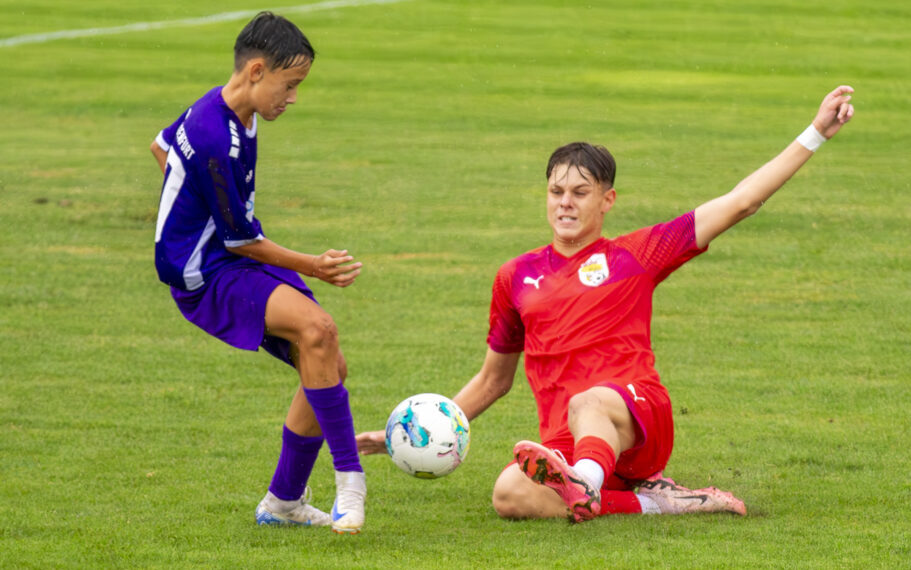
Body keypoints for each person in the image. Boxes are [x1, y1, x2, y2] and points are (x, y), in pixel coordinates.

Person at [357, 85, 855, 522]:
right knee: (508, 494)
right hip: (568, 440)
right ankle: (655, 502)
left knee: (588, 400)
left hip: (636, 418)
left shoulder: (637, 255)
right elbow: (494, 380)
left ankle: (588, 482)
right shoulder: (514, 276)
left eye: (580, 192)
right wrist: (415, 431)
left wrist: (815, 133)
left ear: (607, 200)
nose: (565, 202)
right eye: (556, 191)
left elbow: (741, 201)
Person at [149, 11, 367, 534]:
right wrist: (313, 266)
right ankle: (351, 481)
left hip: (231, 258)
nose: (292, 98)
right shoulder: (214, 138)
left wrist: (190, 208)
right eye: (289, 85)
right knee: (319, 330)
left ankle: (283, 502)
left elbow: (161, 146)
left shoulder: (224, 108)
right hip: (207, 274)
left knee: (327, 363)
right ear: (255, 71)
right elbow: (241, 240)